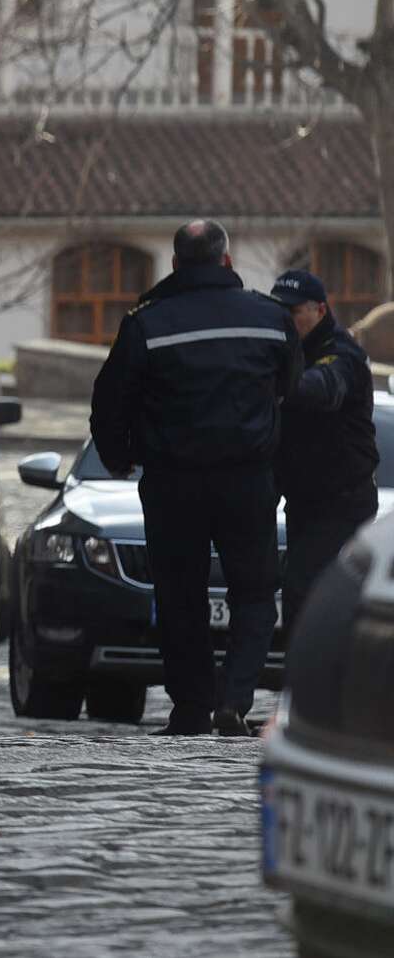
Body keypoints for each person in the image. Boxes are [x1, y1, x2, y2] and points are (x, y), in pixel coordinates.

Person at [90, 220, 301, 736]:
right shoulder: (270, 319)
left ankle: (190, 709)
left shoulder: (147, 323)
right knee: (254, 594)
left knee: (180, 595)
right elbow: (293, 393)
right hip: (248, 481)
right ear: (227, 261)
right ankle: (234, 700)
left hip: (173, 484)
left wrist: (119, 458)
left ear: (176, 265)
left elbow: (109, 402)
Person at [269, 268, 380, 626]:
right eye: (279, 311)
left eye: (293, 311)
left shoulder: (341, 352)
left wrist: (270, 380)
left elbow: (324, 389)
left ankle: (318, 677)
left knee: (308, 591)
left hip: (343, 502)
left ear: (319, 310)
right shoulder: (283, 351)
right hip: (304, 500)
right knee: (300, 594)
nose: (285, 320)